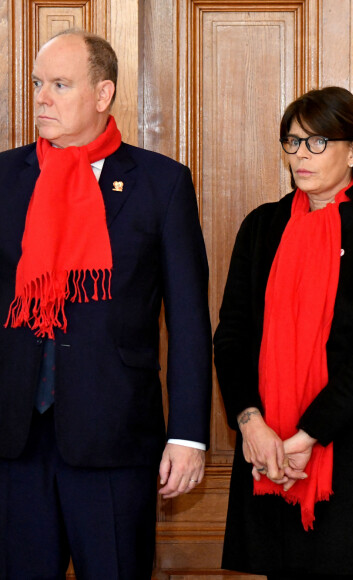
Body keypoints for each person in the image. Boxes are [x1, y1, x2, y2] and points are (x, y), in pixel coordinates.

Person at [0, 29, 212, 579]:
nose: (42, 97)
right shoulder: (2, 178)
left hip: (115, 437)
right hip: (13, 442)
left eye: (60, 85)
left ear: (102, 94)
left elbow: (188, 320)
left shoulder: (160, 183)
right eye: (38, 84)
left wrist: (188, 435)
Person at [214, 86, 353, 579]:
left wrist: (308, 434)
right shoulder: (262, 226)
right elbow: (232, 335)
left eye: (316, 142)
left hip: (349, 453)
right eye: (292, 142)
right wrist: (251, 423)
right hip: (266, 451)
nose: (299, 155)